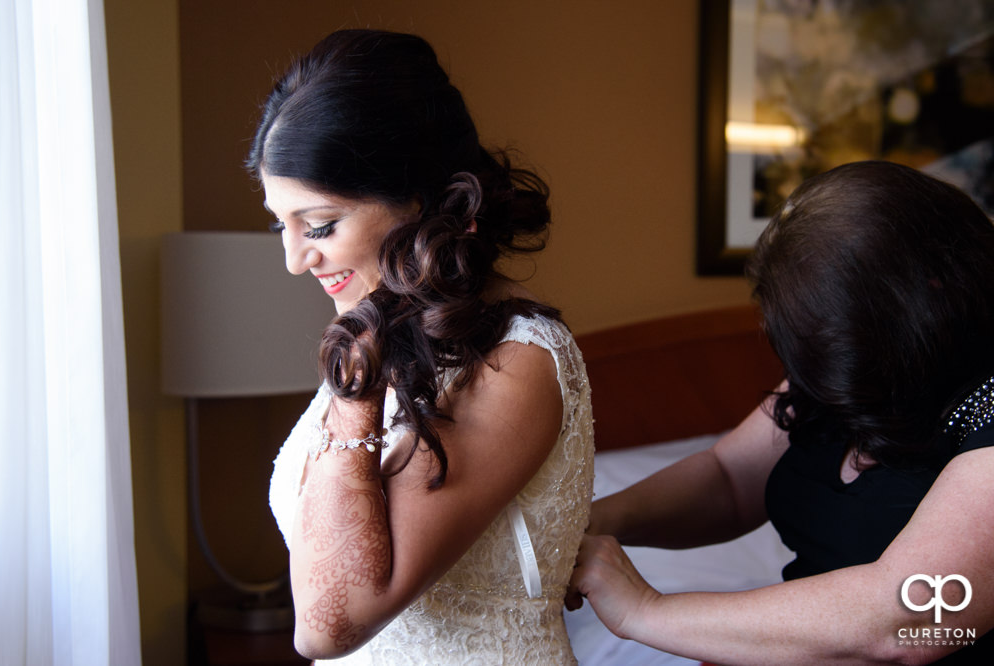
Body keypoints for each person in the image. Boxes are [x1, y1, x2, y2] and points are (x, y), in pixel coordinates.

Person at [251, 30, 594, 664]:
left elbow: (329, 624)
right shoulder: (387, 333)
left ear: (420, 201)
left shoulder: (513, 363)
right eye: (282, 224)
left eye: (320, 225)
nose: (296, 260)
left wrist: (356, 378)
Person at [567, 161, 994, 664]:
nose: (814, 373)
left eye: (837, 336)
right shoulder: (845, 372)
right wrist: (592, 523)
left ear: (929, 290)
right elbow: (727, 478)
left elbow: (905, 621)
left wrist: (644, 611)